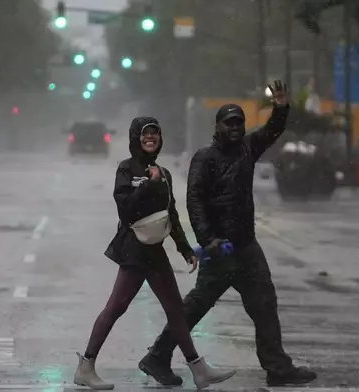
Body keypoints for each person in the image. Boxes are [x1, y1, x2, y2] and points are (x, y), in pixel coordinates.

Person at [138, 81, 318, 387]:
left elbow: (272, 130)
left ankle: (277, 367)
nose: (235, 128)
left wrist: (281, 106)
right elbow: (194, 202)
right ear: (218, 126)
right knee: (195, 306)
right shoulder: (205, 158)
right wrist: (208, 240)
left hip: (247, 247)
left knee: (264, 303)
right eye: (229, 123)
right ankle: (157, 356)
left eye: (239, 123)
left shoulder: (248, 149)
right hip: (219, 250)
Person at [74, 116, 236, 390]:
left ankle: (199, 370)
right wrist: (149, 184)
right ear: (136, 138)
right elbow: (125, 210)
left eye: (155, 134)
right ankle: (86, 367)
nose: (150, 138)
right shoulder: (126, 169)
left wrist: (185, 248)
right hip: (133, 253)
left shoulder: (164, 172)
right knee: (116, 308)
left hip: (155, 252)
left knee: (176, 311)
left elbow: (169, 214)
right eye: (145, 134)